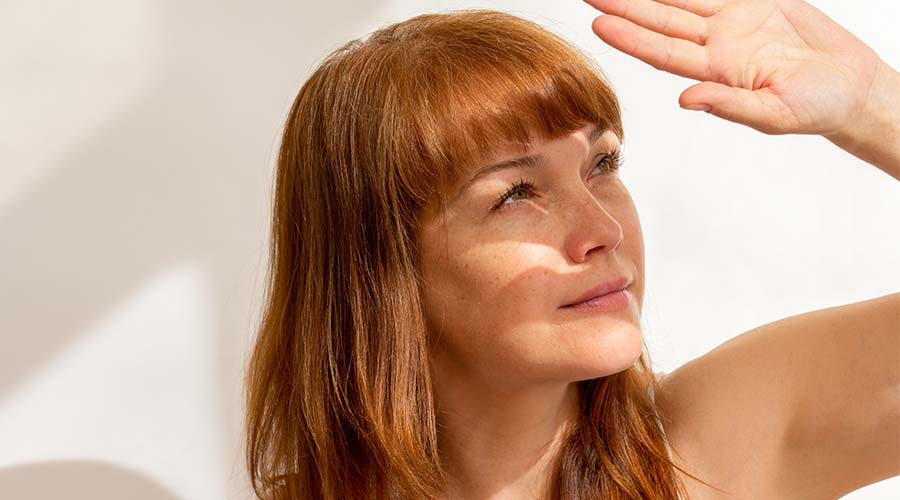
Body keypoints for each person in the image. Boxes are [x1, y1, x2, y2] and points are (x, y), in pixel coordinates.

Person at [244, 1, 900, 499]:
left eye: (602, 164)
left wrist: (876, 107)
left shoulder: (706, 453)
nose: (603, 231)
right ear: (378, 265)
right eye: (515, 193)